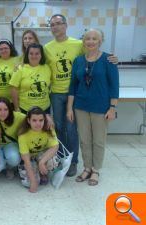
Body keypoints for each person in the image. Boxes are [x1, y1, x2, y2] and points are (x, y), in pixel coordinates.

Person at [44, 14, 118, 177]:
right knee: (60, 128)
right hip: (57, 93)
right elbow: (36, 62)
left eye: (59, 23)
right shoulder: (47, 47)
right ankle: (63, 159)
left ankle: (75, 162)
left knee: (72, 130)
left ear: (66, 25)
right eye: (52, 24)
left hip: (77, 95)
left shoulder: (78, 44)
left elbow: (96, 55)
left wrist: (113, 58)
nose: (55, 27)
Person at [67, 29, 119, 186]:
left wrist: (112, 108)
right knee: (84, 140)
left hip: (101, 108)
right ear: (83, 41)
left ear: (100, 41)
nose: (90, 41)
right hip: (80, 106)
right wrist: (69, 108)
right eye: (87, 38)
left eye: (94, 39)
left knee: (98, 140)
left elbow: (114, 86)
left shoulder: (108, 60)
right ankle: (87, 167)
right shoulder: (78, 61)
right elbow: (72, 87)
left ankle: (96, 170)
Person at [10, 43, 53, 128]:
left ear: (41, 55)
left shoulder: (47, 68)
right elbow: (13, 89)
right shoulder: (20, 69)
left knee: (44, 134)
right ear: (27, 55)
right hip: (25, 109)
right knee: (26, 134)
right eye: (31, 53)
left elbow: (49, 85)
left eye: (37, 53)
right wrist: (16, 108)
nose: (34, 56)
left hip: (44, 109)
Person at [18, 106, 59, 193]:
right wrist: (33, 182)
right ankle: (36, 172)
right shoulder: (23, 135)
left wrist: (42, 162)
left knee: (54, 161)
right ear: (29, 121)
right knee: (28, 183)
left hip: (42, 155)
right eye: (34, 120)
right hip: (30, 159)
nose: (38, 123)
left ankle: (42, 172)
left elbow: (55, 146)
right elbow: (26, 160)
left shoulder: (48, 128)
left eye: (41, 120)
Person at [0, 97, 24, 178]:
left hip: (10, 144)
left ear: (9, 110)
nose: (2, 113)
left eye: (5, 109)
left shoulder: (16, 116)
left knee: (14, 158)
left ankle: (9, 167)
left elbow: (32, 116)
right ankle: (2, 164)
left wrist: (47, 118)